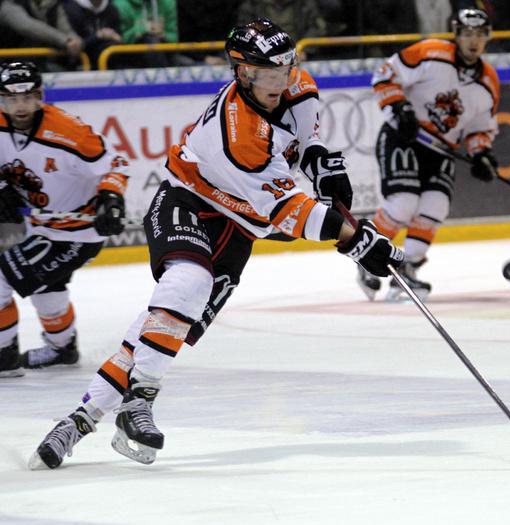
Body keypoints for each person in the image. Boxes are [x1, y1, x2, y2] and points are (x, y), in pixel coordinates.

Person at [28, 18, 403, 469]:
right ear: (242, 73)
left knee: (163, 327)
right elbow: (290, 212)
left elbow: (305, 135)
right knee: (187, 283)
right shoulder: (238, 134)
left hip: (239, 229)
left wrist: (320, 160)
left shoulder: (296, 84)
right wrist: (357, 241)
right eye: (267, 73)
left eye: (286, 68)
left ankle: (80, 418)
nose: (281, 81)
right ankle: (139, 401)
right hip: (189, 202)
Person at [359, 8, 500, 302]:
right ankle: (366, 255)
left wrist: (481, 153)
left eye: (479, 35)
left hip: (441, 150)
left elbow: (480, 127)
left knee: (436, 206)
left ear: (487, 37)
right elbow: (385, 75)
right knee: (403, 203)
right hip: (404, 137)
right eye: (467, 34)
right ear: (456, 34)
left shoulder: (488, 81)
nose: (473, 41)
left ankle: (407, 269)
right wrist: (399, 107)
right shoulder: (430, 53)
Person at [0, 61, 129, 378]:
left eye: (27, 97)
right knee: (47, 289)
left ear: (40, 95)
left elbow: (116, 163)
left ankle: (4, 356)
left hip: (77, 233)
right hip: (38, 227)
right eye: (12, 99)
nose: (20, 107)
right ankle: (62, 349)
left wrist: (111, 199)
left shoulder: (69, 132)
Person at [63, 0, 123, 69]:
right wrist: (98, 36)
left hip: (111, 58)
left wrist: (117, 37)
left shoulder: (111, 8)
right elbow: (76, 43)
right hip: (82, 61)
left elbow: (119, 35)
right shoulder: (73, 8)